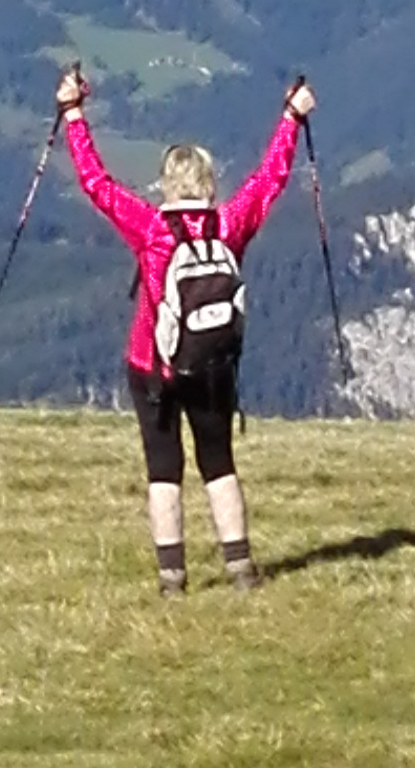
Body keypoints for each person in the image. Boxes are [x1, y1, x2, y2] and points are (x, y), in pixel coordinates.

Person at [57, 64, 314, 593]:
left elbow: (96, 184)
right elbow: (271, 178)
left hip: (151, 363)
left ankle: (173, 578)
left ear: (168, 184)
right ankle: (241, 568)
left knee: (163, 469)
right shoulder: (230, 222)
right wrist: (291, 115)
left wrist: (73, 114)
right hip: (212, 363)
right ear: (210, 183)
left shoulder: (152, 227)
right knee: (218, 461)